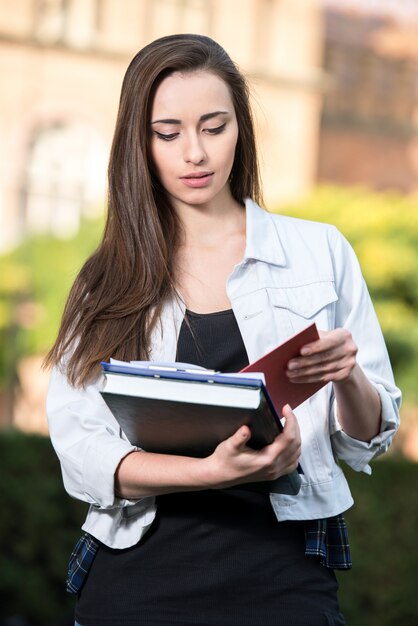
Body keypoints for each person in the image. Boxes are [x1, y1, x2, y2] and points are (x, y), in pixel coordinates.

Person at [45, 34, 401, 626]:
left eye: (214, 127)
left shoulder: (320, 253)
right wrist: (206, 473)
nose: (195, 154)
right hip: (139, 582)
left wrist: (347, 376)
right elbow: (84, 455)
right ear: (139, 142)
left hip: (286, 576)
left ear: (242, 129)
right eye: (168, 133)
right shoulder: (105, 280)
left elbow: (367, 440)